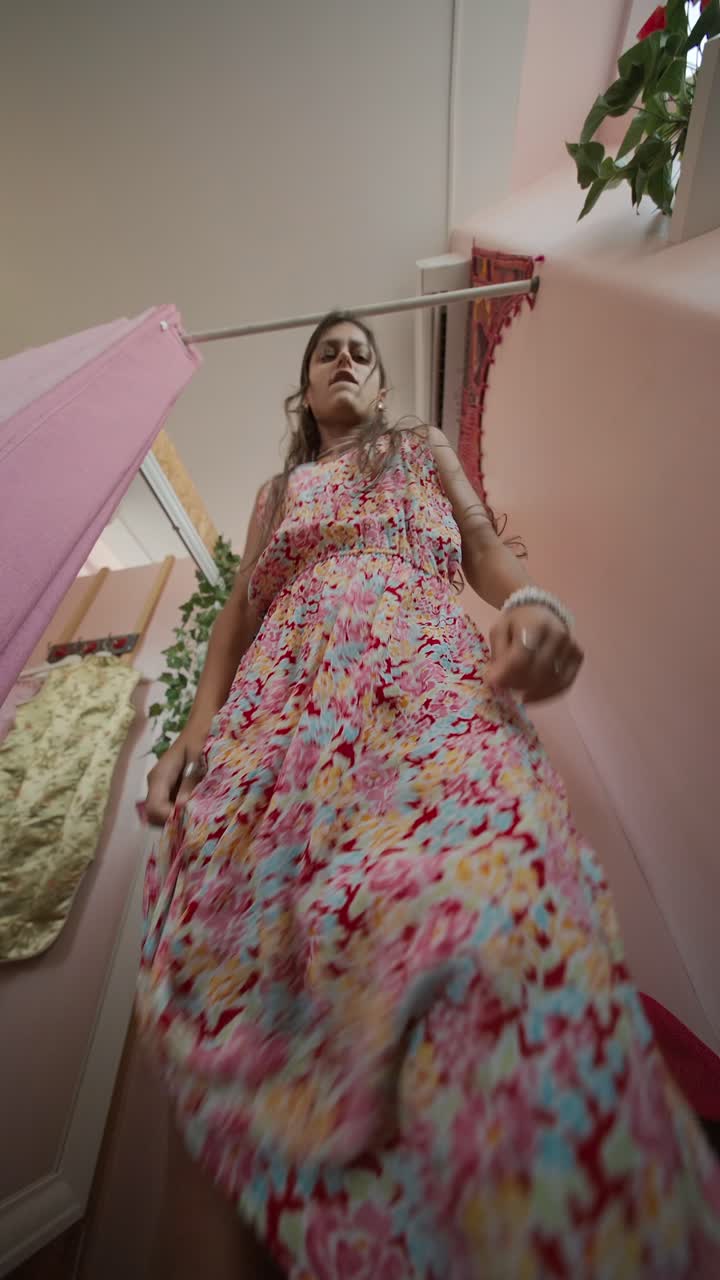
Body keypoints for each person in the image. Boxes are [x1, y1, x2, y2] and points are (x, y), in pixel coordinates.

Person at [139, 312, 720, 1279]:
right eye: (328, 351)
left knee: (497, 894)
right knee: (237, 964)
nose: (346, 358)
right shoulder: (278, 492)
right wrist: (196, 730)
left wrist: (532, 605)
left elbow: (483, 543)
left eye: (362, 351)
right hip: (280, 703)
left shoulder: (418, 447)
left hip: (421, 672)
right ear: (305, 388)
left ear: (379, 383)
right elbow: (237, 613)